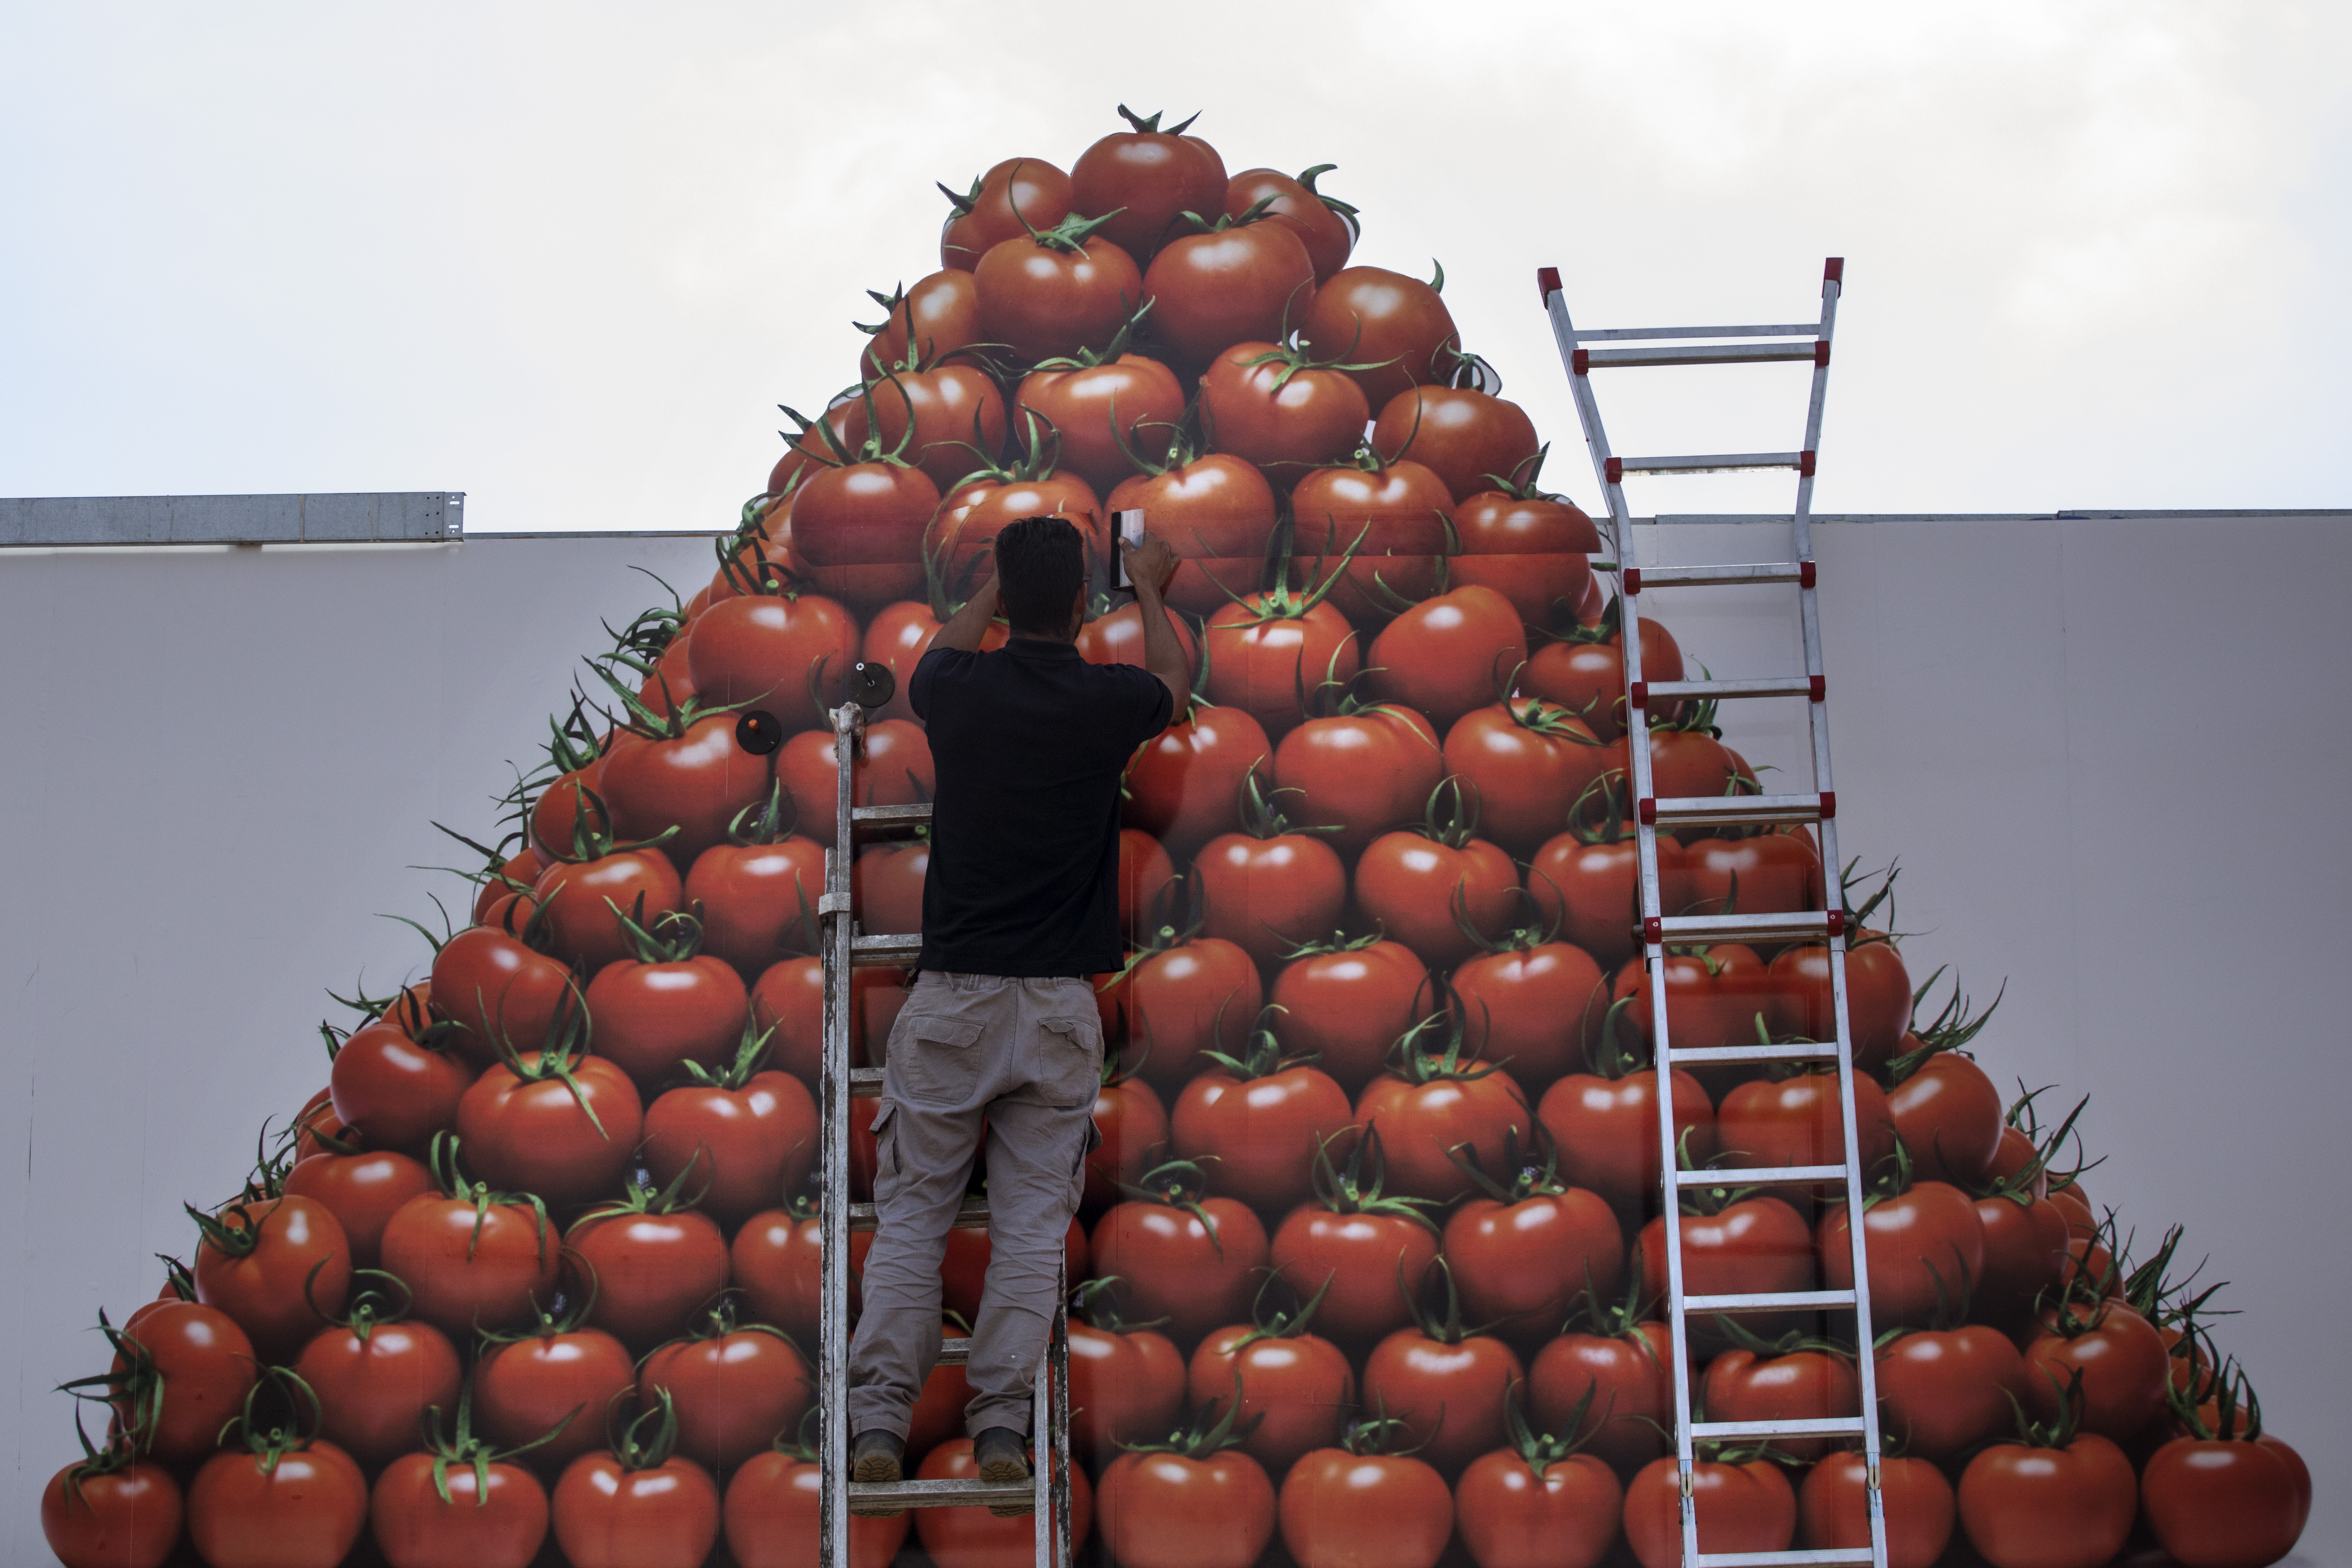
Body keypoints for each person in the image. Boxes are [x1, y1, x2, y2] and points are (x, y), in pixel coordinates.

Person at [846, 515, 1188, 1516]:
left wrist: (995, 589)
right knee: (1034, 1229)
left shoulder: (960, 691)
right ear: (1083, 607)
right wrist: (1153, 590)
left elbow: (934, 656)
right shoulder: (1103, 700)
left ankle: (878, 1422)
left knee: (913, 1216)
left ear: (1002, 593)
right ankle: (1001, 1423)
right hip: (1056, 1007)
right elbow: (1171, 681)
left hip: (955, 996)